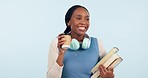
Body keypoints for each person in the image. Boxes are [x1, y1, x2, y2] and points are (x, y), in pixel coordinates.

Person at [46, 5, 114, 78]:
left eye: (87, 19)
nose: (83, 22)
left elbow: (106, 71)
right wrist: (61, 54)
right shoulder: (57, 42)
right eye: (78, 18)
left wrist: (110, 76)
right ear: (68, 22)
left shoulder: (97, 43)